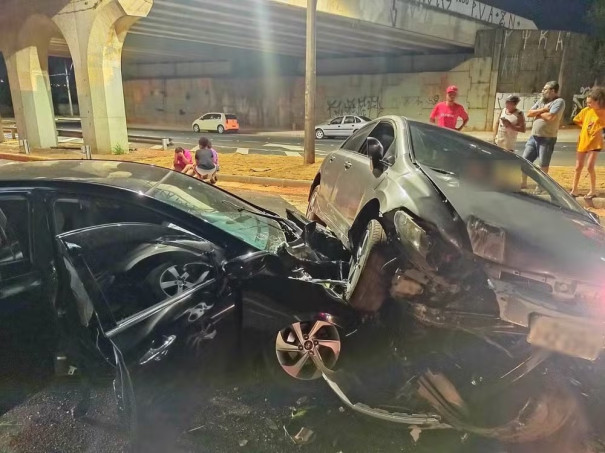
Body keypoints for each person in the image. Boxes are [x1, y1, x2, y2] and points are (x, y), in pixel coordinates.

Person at [522, 81, 566, 184]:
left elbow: (551, 117)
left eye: (545, 89)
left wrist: (537, 113)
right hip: (534, 137)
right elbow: (529, 113)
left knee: (543, 164)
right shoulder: (542, 101)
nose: (542, 91)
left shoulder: (559, 102)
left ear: (553, 91)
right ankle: (523, 183)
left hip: (547, 138)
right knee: (524, 160)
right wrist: (543, 110)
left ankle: (541, 186)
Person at [570, 86, 605, 199]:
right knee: (578, 166)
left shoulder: (603, 112)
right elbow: (576, 120)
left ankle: (593, 190)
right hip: (583, 140)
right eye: (587, 102)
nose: (588, 104)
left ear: (598, 101)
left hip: (595, 142)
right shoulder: (586, 111)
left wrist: (597, 129)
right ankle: (574, 189)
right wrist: (585, 127)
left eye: (590, 102)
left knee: (590, 166)